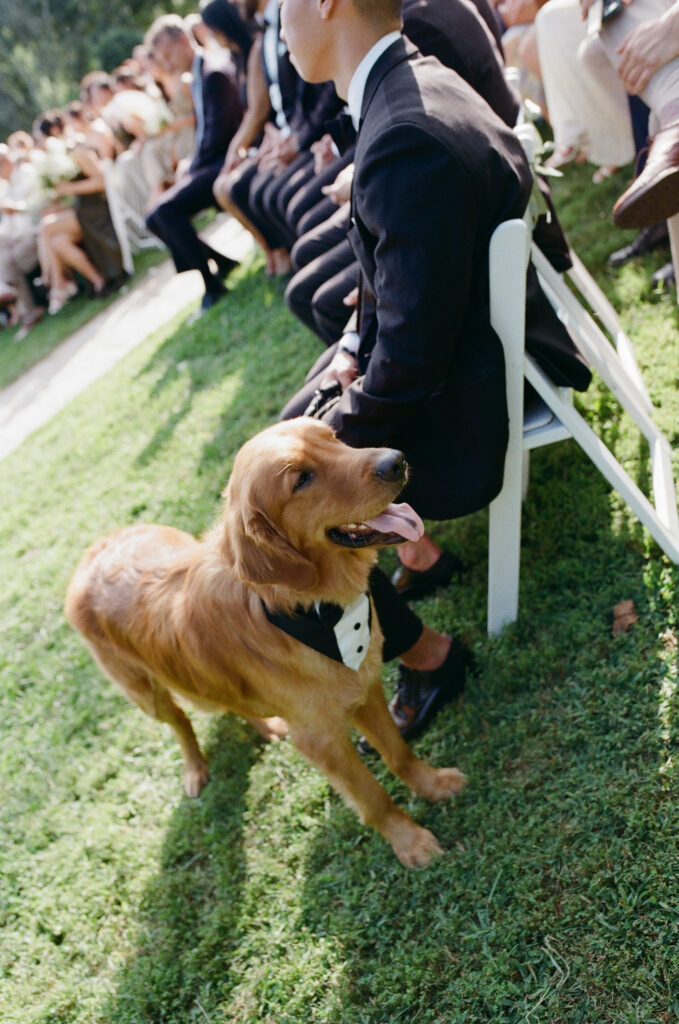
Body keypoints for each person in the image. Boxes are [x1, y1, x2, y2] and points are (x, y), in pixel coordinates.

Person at [276, 0, 537, 740]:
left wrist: (333, 433)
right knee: (289, 439)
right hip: (465, 352)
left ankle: (430, 659)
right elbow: (395, 284)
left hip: (466, 399)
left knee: (277, 510)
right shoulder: (408, 85)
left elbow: (415, 360)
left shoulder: (402, 136)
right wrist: (350, 350)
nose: (279, 26)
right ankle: (417, 559)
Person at [144, 14, 243, 316]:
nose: (167, 64)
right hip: (209, 160)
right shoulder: (197, 75)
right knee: (153, 218)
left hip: (226, 160)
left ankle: (211, 284)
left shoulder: (212, 72)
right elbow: (205, 133)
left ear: (183, 41)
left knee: (165, 211)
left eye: (168, 55)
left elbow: (218, 133)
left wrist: (193, 166)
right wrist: (190, 162)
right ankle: (220, 262)